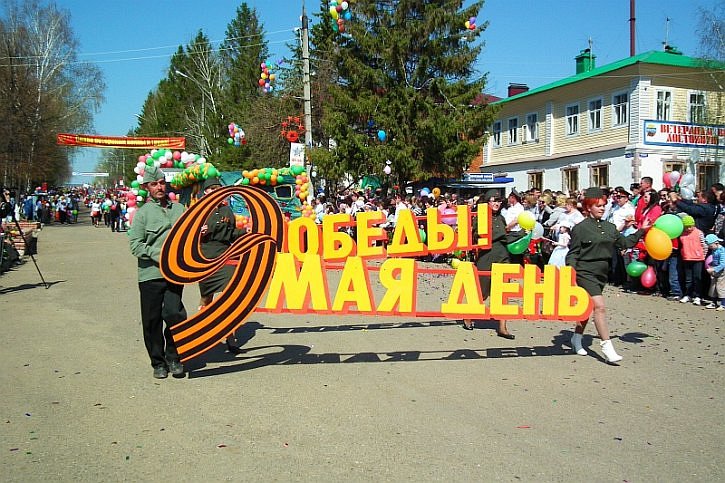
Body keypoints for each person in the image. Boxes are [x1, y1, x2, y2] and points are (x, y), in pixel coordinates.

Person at [565, 187, 650, 363]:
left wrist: (642, 230)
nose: (602, 208)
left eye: (603, 205)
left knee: (588, 308)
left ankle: (576, 338)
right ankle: (607, 347)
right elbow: (572, 254)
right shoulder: (580, 228)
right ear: (588, 207)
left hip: (602, 273)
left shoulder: (609, 227)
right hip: (585, 272)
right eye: (598, 206)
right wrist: (571, 274)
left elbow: (625, 242)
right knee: (600, 307)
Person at [128, 166, 187, 379]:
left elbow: (187, 236)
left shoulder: (179, 209)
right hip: (150, 275)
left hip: (174, 274)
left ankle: (173, 357)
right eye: (154, 184)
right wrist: (160, 254)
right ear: (147, 187)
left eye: (161, 183)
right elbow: (135, 245)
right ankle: (158, 362)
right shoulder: (142, 214)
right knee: (152, 320)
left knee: (175, 315)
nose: (159, 187)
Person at [196, 177, 247, 353]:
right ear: (205, 192)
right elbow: (187, 234)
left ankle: (230, 337)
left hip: (225, 255)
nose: (215, 191)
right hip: (206, 256)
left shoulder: (226, 210)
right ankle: (202, 330)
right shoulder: (198, 210)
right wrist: (198, 233)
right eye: (211, 189)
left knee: (230, 295)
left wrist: (245, 232)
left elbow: (231, 233)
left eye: (218, 188)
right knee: (206, 297)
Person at [462, 190, 515, 339]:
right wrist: (504, 234)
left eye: (499, 200)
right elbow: (478, 236)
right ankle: (468, 316)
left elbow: (505, 237)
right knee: (482, 292)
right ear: (487, 202)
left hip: (502, 256)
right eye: (494, 200)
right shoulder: (480, 218)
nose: (497, 203)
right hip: (486, 257)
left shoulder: (501, 218)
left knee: (503, 293)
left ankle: (503, 327)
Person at [678, 215, 706, 306]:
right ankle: (688, 294)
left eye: (690, 226)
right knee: (688, 279)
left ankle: (698, 296)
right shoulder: (682, 234)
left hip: (698, 259)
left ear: (693, 225)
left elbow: (704, 245)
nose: (688, 228)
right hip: (687, 258)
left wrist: (703, 256)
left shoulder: (699, 233)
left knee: (697, 278)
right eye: (686, 227)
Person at [704, 234, 725, 310]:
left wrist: (714, 269)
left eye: (711, 246)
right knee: (713, 287)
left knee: (720, 287)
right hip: (714, 270)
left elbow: (723, 264)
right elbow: (714, 260)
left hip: (722, 272)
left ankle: (723, 304)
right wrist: (711, 265)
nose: (710, 248)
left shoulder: (722, 251)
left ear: (716, 243)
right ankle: (714, 303)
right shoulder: (714, 250)